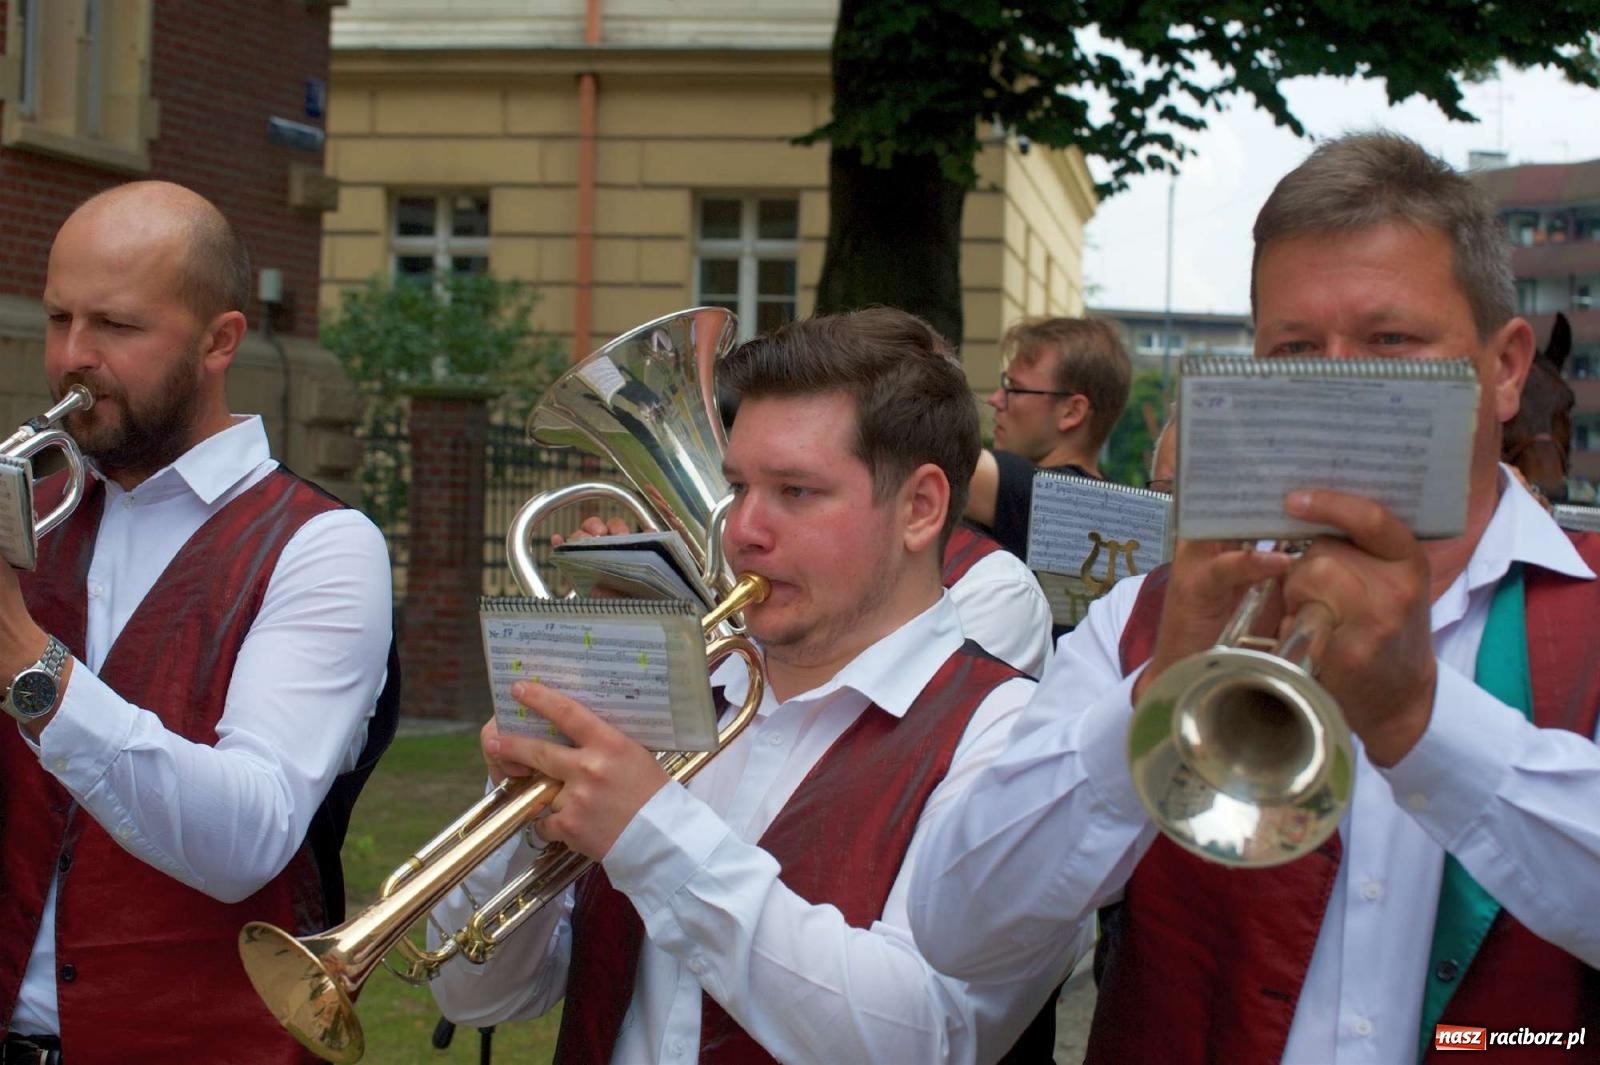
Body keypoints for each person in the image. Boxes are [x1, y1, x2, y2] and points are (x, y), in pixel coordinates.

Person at [909, 131, 1600, 1062]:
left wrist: (1420, 720)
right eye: (1296, 346)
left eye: (1391, 340)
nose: (1339, 382)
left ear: (1508, 367)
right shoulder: (1147, 614)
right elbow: (958, 930)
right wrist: (1157, 697)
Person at [428, 308, 1078, 1064]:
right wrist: (517, 818)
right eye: (739, 485)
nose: (741, 530)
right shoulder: (684, 688)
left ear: (921, 507)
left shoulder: (1014, 741)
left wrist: (651, 833)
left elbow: (927, 1035)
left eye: (796, 491)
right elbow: (478, 995)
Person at [0, 182, 398, 1063]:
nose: (72, 356)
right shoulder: (36, 513)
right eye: (58, 318)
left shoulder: (323, 548)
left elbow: (246, 836)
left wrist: (24, 655)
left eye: (117, 326)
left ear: (220, 341)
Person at [965, 316, 1132, 559]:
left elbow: (920, 451)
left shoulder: (1053, 498)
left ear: (1072, 411)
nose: (996, 399)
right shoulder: (1109, 509)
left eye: (1015, 388)